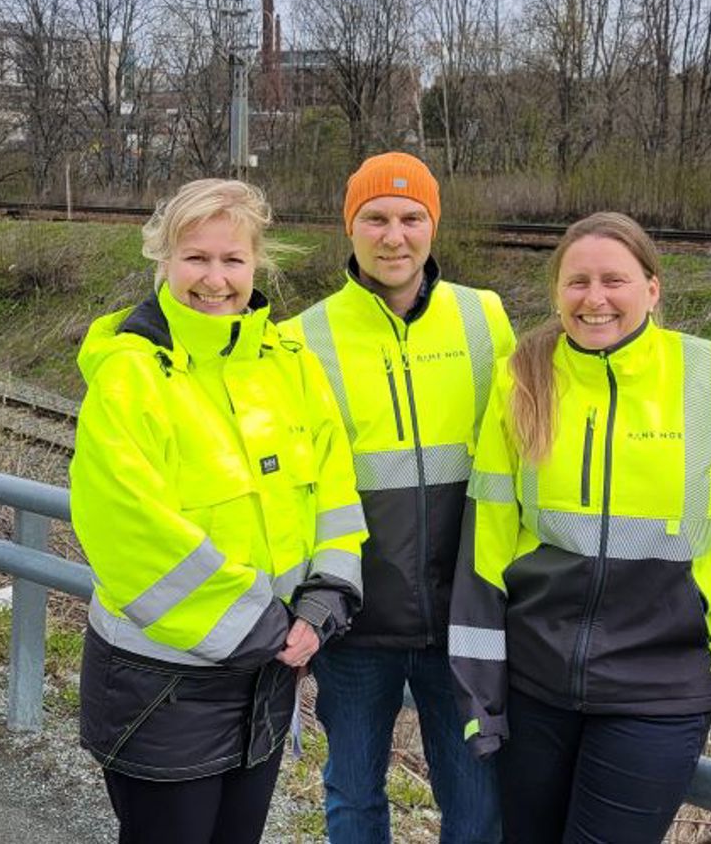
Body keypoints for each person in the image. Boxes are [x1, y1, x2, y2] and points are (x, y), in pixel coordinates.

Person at [449, 211, 711, 844]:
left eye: (613, 280)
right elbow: (487, 542)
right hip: (535, 686)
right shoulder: (521, 379)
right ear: (557, 292)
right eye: (577, 282)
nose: (595, 299)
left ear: (652, 288)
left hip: (659, 689)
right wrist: (480, 691)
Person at [69, 178, 366, 844]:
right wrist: (269, 628)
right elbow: (125, 530)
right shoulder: (131, 375)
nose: (215, 278)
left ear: (257, 263)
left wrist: (324, 599)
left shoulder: (291, 365)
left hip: (267, 676)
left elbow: (334, 495)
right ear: (163, 260)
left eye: (232, 259)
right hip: (162, 687)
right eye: (195, 257)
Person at [281, 152, 515, 844]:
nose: (394, 236)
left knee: (475, 807)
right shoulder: (302, 337)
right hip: (356, 621)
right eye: (375, 218)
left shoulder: (483, 316)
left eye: (412, 218)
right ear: (349, 228)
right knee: (354, 794)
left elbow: (520, 454)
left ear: (433, 225)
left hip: (463, 619)